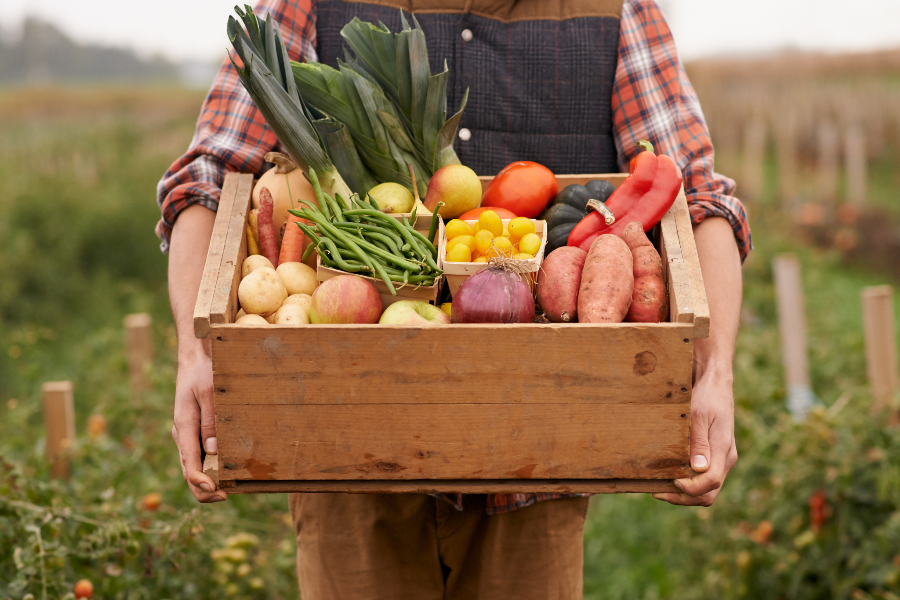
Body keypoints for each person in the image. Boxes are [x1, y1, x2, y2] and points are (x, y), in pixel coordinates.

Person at [158, 0, 749, 597]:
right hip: (349, 451)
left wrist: (715, 373)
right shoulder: (304, 4)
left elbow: (698, 198)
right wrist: (194, 355)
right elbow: (208, 180)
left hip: (538, 457)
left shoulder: (615, 8)